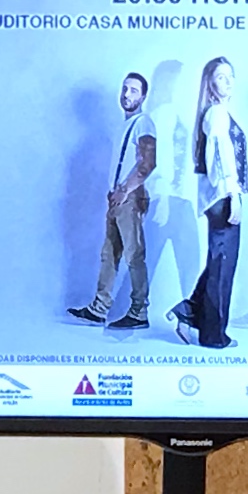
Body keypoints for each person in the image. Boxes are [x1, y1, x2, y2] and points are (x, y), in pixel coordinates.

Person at [168, 52, 248, 347]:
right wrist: (233, 195)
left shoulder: (217, 112)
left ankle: (188, 312)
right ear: (210, 84)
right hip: (223, 196)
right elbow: (221, 155)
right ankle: (214, 336)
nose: (227, 81)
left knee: (218, 262)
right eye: (220, 77)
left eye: (230, 76)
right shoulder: (217, 113)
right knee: (223, 267)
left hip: (219, 197)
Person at [72, 67, 159, 325]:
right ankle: (99, 308)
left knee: (134, 255)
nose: (127, 94)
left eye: (134, 90)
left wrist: (124, 190)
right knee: (109, 254)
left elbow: (147, 164)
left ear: (143, 97)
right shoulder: (125, 125)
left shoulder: (143, 122)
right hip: (117, 198)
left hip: (130, 197)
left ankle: (139, 312)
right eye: (125, 88)